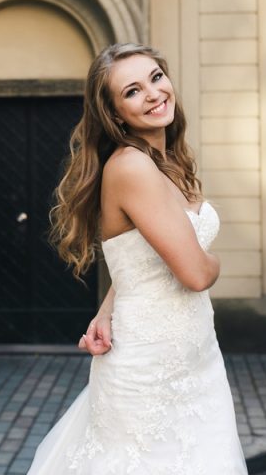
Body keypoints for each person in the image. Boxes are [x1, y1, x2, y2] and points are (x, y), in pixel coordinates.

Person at [28, 43, 248, 474]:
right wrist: (213, 260)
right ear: (114, 114)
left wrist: (107, 308)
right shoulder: (132, 167)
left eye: (156, 77)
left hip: (194, 354)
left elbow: (138, 259)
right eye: (132, 91)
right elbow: (196, 274)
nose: (152, 93)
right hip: (151, 364)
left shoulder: (169, 161)